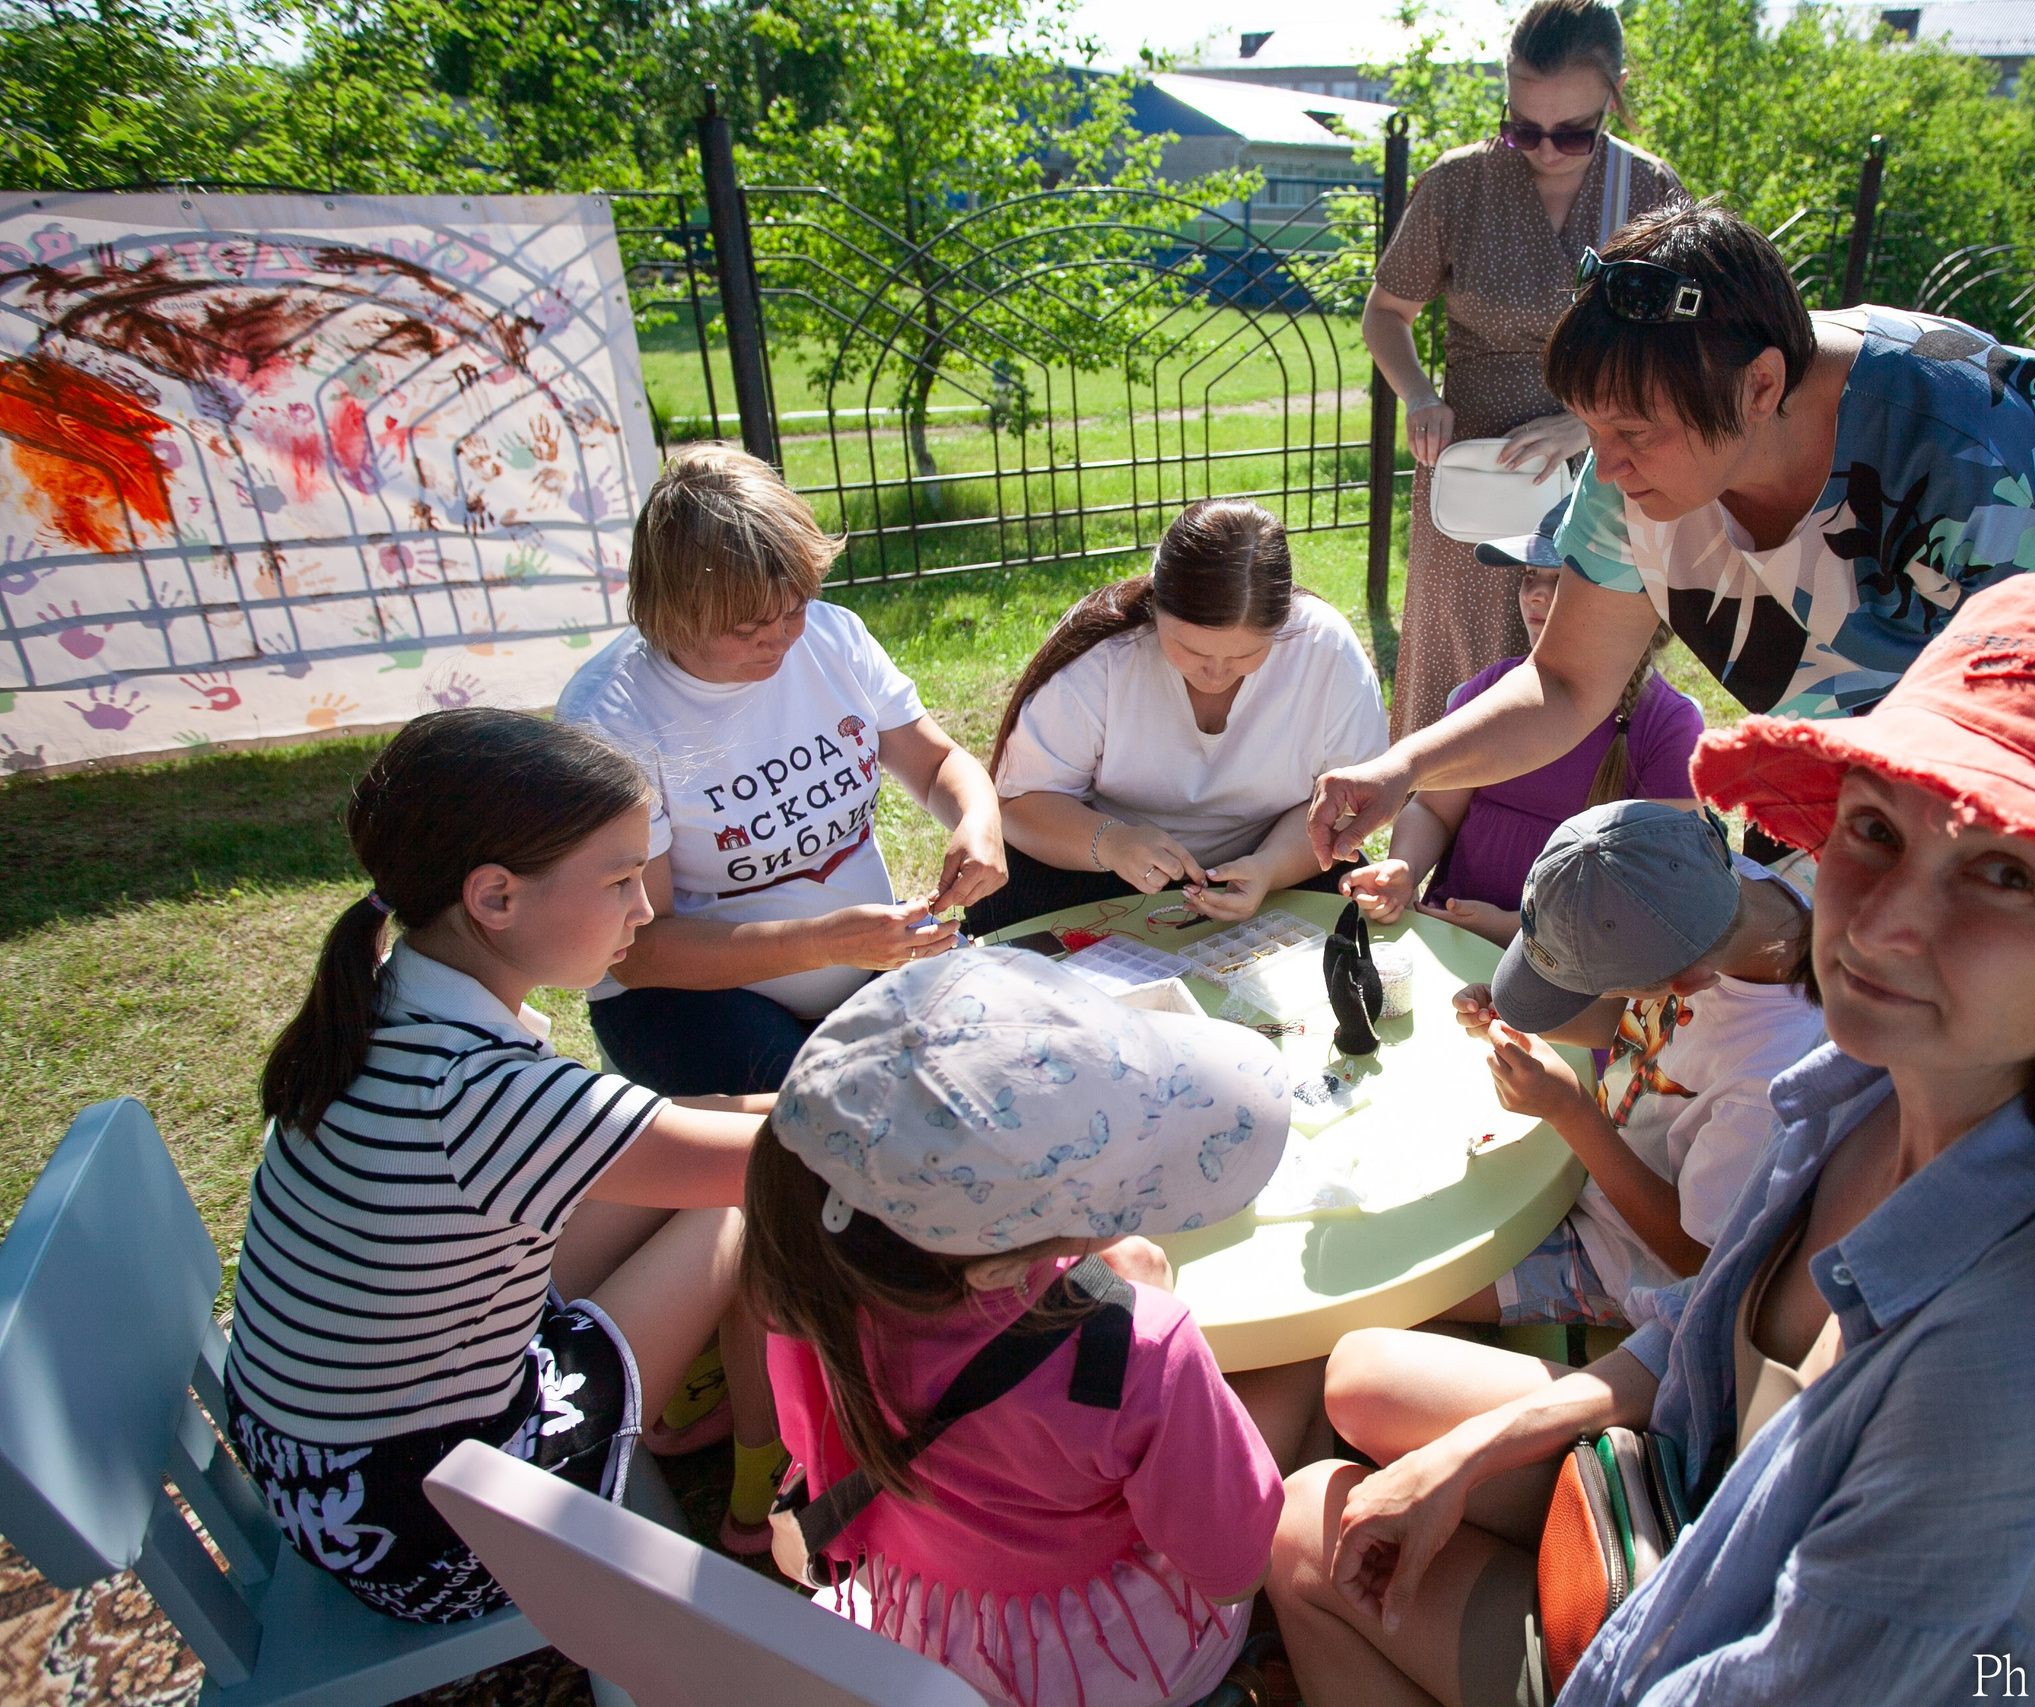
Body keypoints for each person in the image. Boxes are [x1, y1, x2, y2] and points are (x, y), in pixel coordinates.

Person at [1269, 574, 2035, 1705]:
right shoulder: (1877, 1088)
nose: (1881, 922)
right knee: (1360, 1433)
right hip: (1712, 1517)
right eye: (1875, 828)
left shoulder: (2020, 1376)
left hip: (1698, 1631)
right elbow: (1701, 1331)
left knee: (1303, 1535)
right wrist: (1470, 1452)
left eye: (2005, 875)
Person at [1309, 201, 2035, 869]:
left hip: (2001, 820)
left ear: (1761, 387)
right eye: (1591, 429)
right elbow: (1568, 682)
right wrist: (1404, 767)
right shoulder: (1643, 445)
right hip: (1834, 805)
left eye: (1634, 433)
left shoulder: (1970, 444)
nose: (1604, 472)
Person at [222, 710, 787, 1620]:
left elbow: (675, 1133)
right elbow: (788, 1164)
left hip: (320, 1470)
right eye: (618, 881)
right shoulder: (486, 1096)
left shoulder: (386, 998)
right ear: (494, 897)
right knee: (745, 1207)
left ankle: (700, 1419)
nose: (643, 909)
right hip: (438, 1533)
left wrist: (760, 1106)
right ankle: (763, 1484)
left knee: (701, 1152)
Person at [744, 948, 1292, 1707]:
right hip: (1111, 1658)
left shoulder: (813, 1289)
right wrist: (1126, 1303)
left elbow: (827, 1468)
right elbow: (1235, 1564)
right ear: (995, 1267)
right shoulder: (1138, 1349)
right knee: (1292, 1382)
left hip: (924, 1631)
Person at [560, 443, 1006, 1099]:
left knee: (1001, 1059)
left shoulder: (833, 638)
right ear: (672, 611)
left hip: (860, 962)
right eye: (745, 627)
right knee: (834, 1123)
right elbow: (642, 948)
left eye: (794, 607)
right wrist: (826, 943)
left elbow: (936, 761)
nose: (781, 638)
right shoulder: (613, 715)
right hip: (691, 1000)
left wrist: (979, 818)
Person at [1365, 0, 1683, 741]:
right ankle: (1436, 839)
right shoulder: (1459, 185)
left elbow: (1682, 350)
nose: (1544, 149)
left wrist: (1585, 425)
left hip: (1604, 467)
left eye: (1572, 131)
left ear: (1616, 94)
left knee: (1579, 660)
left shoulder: (1649, 192)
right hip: (1474, 469)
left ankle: (1561, 843)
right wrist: (1418, 394)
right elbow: (1385, 314)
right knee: (1459, 658)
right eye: (1523, 126)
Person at [1442, 801, 1824, 1328]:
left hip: (1619, 1259)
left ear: (1686, 984)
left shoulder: (1772, 1080)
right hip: (1578, 1170)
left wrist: (1571, 1111)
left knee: (1399, 1293)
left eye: (1581, 984)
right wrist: (1522, 1017)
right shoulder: (1719, 888)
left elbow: (1698, 1260)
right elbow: (1636, 1020)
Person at [968, 499, 1388, 937]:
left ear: (1282, 621)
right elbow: (1019, 803)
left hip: (1282, 861)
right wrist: (1110, 842)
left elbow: (1344, 805)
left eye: (1246, 654)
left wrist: (1269, 868)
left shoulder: (1324, 650)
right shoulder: (1105, 657)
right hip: (1094, 864)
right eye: (1192, 650)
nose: (1216, 673)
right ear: (1156, 606)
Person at [1339, 508, 1702, 945]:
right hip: (1451, 936)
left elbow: (1656, 890)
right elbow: (1434, 810)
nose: (1533, 594)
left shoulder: (1668, 725)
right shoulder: (1495, 688)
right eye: (1530, 574)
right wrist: (1405, 868)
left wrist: (1514, 927)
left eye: (1561, 581)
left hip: (1572, 963)